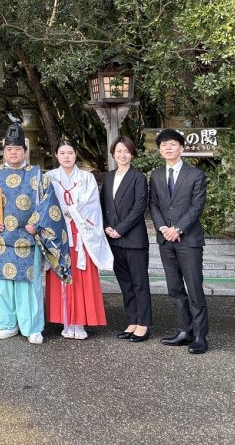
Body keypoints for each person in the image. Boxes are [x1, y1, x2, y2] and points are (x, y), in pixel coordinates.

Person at [0, 122, 69, 345]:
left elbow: (48, 203)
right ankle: (7, 324)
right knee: (3, 284)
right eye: (9, 149)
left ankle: (32, 327)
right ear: (4, 152)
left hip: (28, 239)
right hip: (1, 239)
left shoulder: (37, 175)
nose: (13, 153)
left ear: (25, 151)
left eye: (17, 149)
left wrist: (37, 223)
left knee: (28, 286)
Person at [45, 139, 112, 339]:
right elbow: (44, 203)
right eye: (62, 153)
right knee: (61, 276)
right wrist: (61, 213)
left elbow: (92, 204)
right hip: (58, 234)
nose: (66, 156)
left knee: (81, 277)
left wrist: (71, 211)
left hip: (82, 234)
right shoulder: (48, 177)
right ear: (56, 155)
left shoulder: (86, 177)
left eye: (70, 153)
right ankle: (66, 320)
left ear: (76, 155)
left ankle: (80, 322)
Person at [150, 128, 209, 355]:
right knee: (174, 288)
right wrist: (163, 228)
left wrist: (178, 229)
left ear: (181, 148)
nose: (168, 148)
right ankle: (185, 331)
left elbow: (197, 206)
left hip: (189, 240)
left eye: (172, 144)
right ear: (160, 150)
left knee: (194, 288)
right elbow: (153, 204)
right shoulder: (156, 175)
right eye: (164, 145)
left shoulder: (195, 175)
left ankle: (200, 336)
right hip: (166, 240)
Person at [101, 136, 152, 342]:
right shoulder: (109, 177)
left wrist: (120, 229)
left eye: (126, 151)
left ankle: (144, 324)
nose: (122, 155)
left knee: (140, 283)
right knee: (125, 283)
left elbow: (139, 207)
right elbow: (102, 204)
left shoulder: (138, 177)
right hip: (113, 239)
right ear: (113, 154)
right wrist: (106, 225)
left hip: (133, 239)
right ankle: (132, 321)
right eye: (119, 151)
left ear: (132, 154)